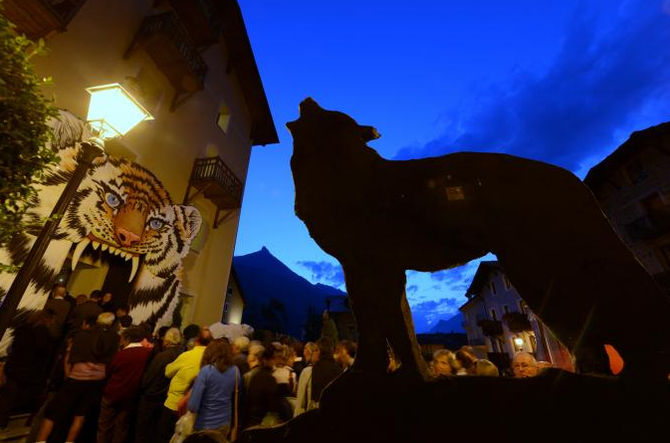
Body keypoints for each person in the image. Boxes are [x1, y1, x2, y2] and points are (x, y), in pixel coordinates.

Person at [36, 312, 119, 443]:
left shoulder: (82, 336)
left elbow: (69, 357)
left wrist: (68, 374)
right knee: (80, 415)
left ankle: (41, 440)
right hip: (97, 381)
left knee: (53, 413)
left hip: (77, 378)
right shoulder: (114, 339)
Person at [0, 310, 56, 432]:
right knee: (19, 396)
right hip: (30, 370)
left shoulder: (22, 329)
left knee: (8, 395)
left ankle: (2, 420)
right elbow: (44, 353)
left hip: (14, 366)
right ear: (48, 319)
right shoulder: (44, 333)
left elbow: (12, 347)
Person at [97, 326, 153, 443]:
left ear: (127, 339)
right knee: (121, 428)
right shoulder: (147, 354)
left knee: (105, 427)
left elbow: (109, 371)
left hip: (112, 394)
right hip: (130, 396)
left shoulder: (121, 354)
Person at [159, 330, 211, 442]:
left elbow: (168, 372)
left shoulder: (188, 355)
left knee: (165, 436)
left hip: (174, 403)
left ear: (196, 340)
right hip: (195, 411)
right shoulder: (211, 359)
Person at [136, 328, 183, 443]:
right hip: (165, 398)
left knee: (143, 431)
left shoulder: (162, 357)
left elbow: (149, 378)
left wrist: (141, 388)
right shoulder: (181, 355)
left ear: (166, 341)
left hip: (152, 397)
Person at [187, 340, 239, 439]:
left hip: (204, 425)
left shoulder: (206, 371)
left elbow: (193, 406)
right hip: (225, 424)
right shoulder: (235, 371)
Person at [244, 347, 286, 428]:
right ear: (266, 360)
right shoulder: (268, 379)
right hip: (262, 420)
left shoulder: (254, 376)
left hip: (251, 419)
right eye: (272, 359)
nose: (274, 362)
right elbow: (274, 402)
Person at [310, 338, 341, 408]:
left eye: (316, 350)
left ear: (321, 351)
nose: (312, 353)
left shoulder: (312, 370)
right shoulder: (338, 369)